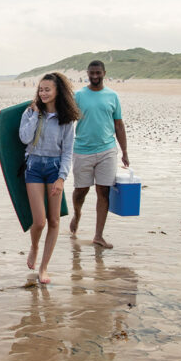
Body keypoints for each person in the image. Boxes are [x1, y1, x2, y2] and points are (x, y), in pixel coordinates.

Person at [19, 72, 80, 284]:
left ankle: (43, 268)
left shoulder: (66, 119)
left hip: (55, 168)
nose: (43, 93)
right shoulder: (30, 112)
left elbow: (67, 152)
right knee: (39, 220)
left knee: (54, 220)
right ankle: (34, 246)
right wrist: (36, 114)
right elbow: (24, 138)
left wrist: (62, 178)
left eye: (47, 89)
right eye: (41, 89)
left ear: (57, 92)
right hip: (34, 166)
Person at [70, 61, 130, 248]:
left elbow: (118, 125)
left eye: (98, 73)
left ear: (104, 73)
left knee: (103, 192)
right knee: (81, 191)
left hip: (107, 150)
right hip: (82, 150)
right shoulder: (78, 95)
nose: (95, 76)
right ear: (87, 73)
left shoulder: (112, 96)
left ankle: (98, 235)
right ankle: (77, 213)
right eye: (91, 73)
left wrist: (125, 152)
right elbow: (65, 121)